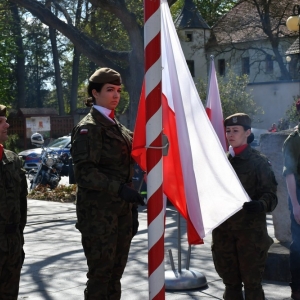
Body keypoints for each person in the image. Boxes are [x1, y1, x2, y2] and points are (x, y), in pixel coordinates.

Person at [71, 68, 145, 300]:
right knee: (101, 276)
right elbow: (84, 173)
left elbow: (139, 151)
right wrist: (119, 189)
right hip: (99, 216)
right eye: (110, 90)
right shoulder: (90, 127)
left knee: (115, 275)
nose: (116, 95)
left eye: (119, 90)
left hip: (121, 213)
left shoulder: (118, 127)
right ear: (95, 92)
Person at [211, 113, 278, 300]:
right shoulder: (221, 161)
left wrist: (260, 204)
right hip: (224, 233)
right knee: (230, 284)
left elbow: (271, 196)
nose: (230, 135)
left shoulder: (259, 162)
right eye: (228, 131)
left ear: (247, 133)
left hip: (250, 235)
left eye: (236, 131)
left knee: (252, 285)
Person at [0, 104, 28, 299]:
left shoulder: (13, 160)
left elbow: (22, 206)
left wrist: (18, 242)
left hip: (11, 246)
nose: (7, 125)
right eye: (1, 122)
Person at [282, 100, 300, 300]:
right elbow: (289, 174)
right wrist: (295, 205)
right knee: (298, 246)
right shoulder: (294, 140)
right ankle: (297, 289)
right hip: (299, 196)